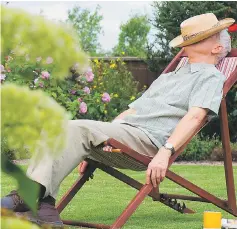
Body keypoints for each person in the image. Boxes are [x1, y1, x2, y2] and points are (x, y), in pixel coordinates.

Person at [1, 13, 234, 227]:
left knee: (74, 127)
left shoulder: (211, 77)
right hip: (128, 133)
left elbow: (195, 116)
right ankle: (43, 206)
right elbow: (132, 111)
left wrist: (166, 151)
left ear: (217, 47)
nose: (189, 42)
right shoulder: (172, 75)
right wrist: (95, 141)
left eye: (200, 38)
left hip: (148, 141)